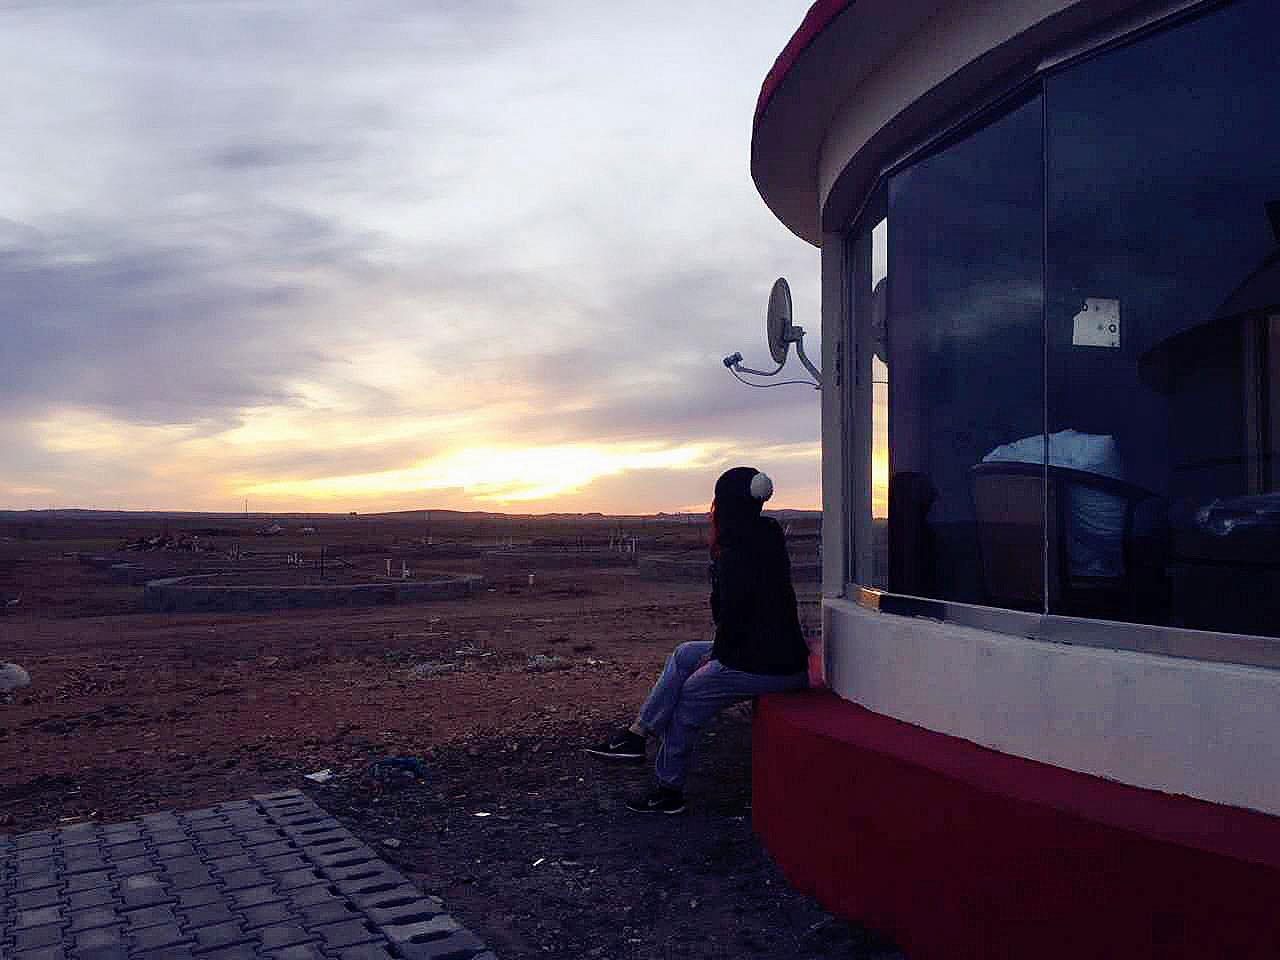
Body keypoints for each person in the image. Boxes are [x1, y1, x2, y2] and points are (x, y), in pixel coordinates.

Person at [586, 466, 810, 814]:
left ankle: (667, 790)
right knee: (684, 654)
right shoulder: (765, 534)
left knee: (690, 695)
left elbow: (733, 614)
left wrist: (720, 656)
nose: (712, 511)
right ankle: (636, 735)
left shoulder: (736, 553)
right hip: (778, 656)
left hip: (768, 666)